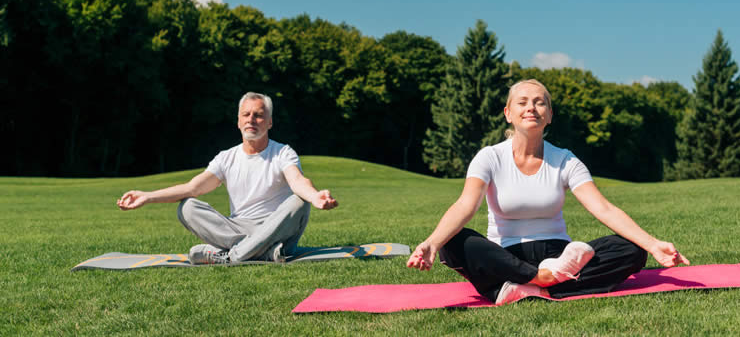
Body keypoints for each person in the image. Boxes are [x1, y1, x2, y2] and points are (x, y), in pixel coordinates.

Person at [407, 79, 689, 304]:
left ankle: (519, 289)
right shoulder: (489, 157)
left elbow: (603, 208)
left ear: (549, 115)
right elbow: (465, 206)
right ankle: (543, 280)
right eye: (523, 102)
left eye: (540, 103)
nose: (531, 107)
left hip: (560, 254)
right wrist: (431, 243)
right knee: (452, 242)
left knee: (631, 250)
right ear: (508, 113)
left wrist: (652, 244)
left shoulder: (565, 159)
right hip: (506, 257)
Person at [117, 92, 337, 264]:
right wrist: (147, 196)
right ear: (238, 121)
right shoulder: (226, 158)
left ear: (269, 122)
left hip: (276, 229)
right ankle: (261, 253)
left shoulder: (282, 153)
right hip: (237, 229)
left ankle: (233, 256)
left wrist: (315, 196)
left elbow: (298, 181)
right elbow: (193, 187)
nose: (252, 119)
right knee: (187, 207)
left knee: (300, 201)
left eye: (259, 115)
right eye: (246, 114)